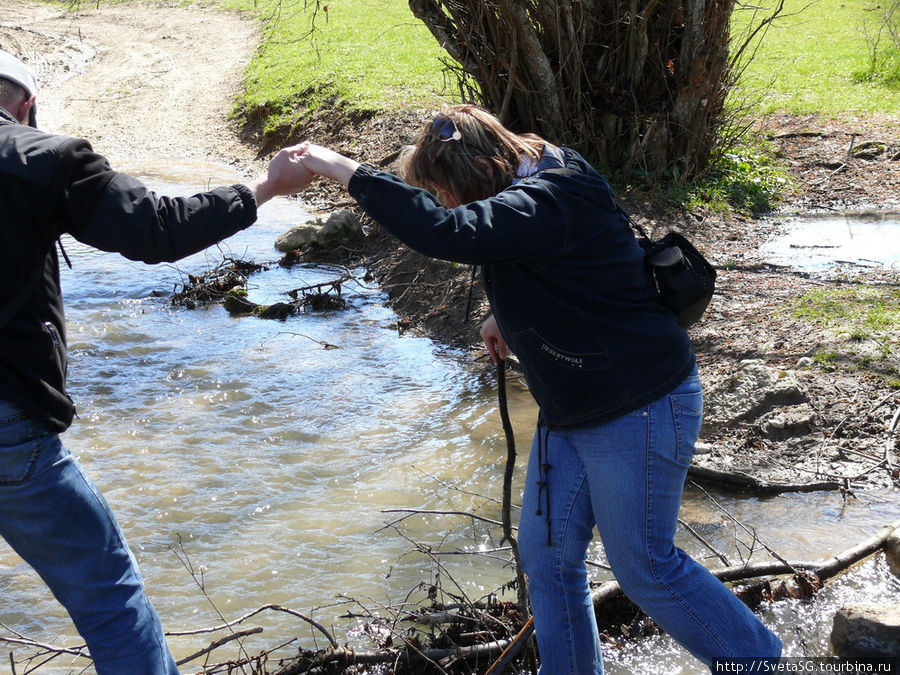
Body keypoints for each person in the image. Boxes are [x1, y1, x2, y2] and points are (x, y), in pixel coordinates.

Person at [295, 104, 783, 673]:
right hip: (571, 407)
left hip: (638, 404)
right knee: (547, 560)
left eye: (447, 190)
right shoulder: (530, 173)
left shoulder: (555, 192)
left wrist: (344, 170)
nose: (448, 203)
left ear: (481, 167)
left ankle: (761, 663)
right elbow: (565, 259)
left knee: (645, 567)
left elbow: (452, 233)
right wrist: (506, 315)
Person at [0, 49, 313, 673]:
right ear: (26, 106)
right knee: (109, 599)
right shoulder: (43, 159)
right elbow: (158, 230)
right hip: (8, 425)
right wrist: (267, 187)